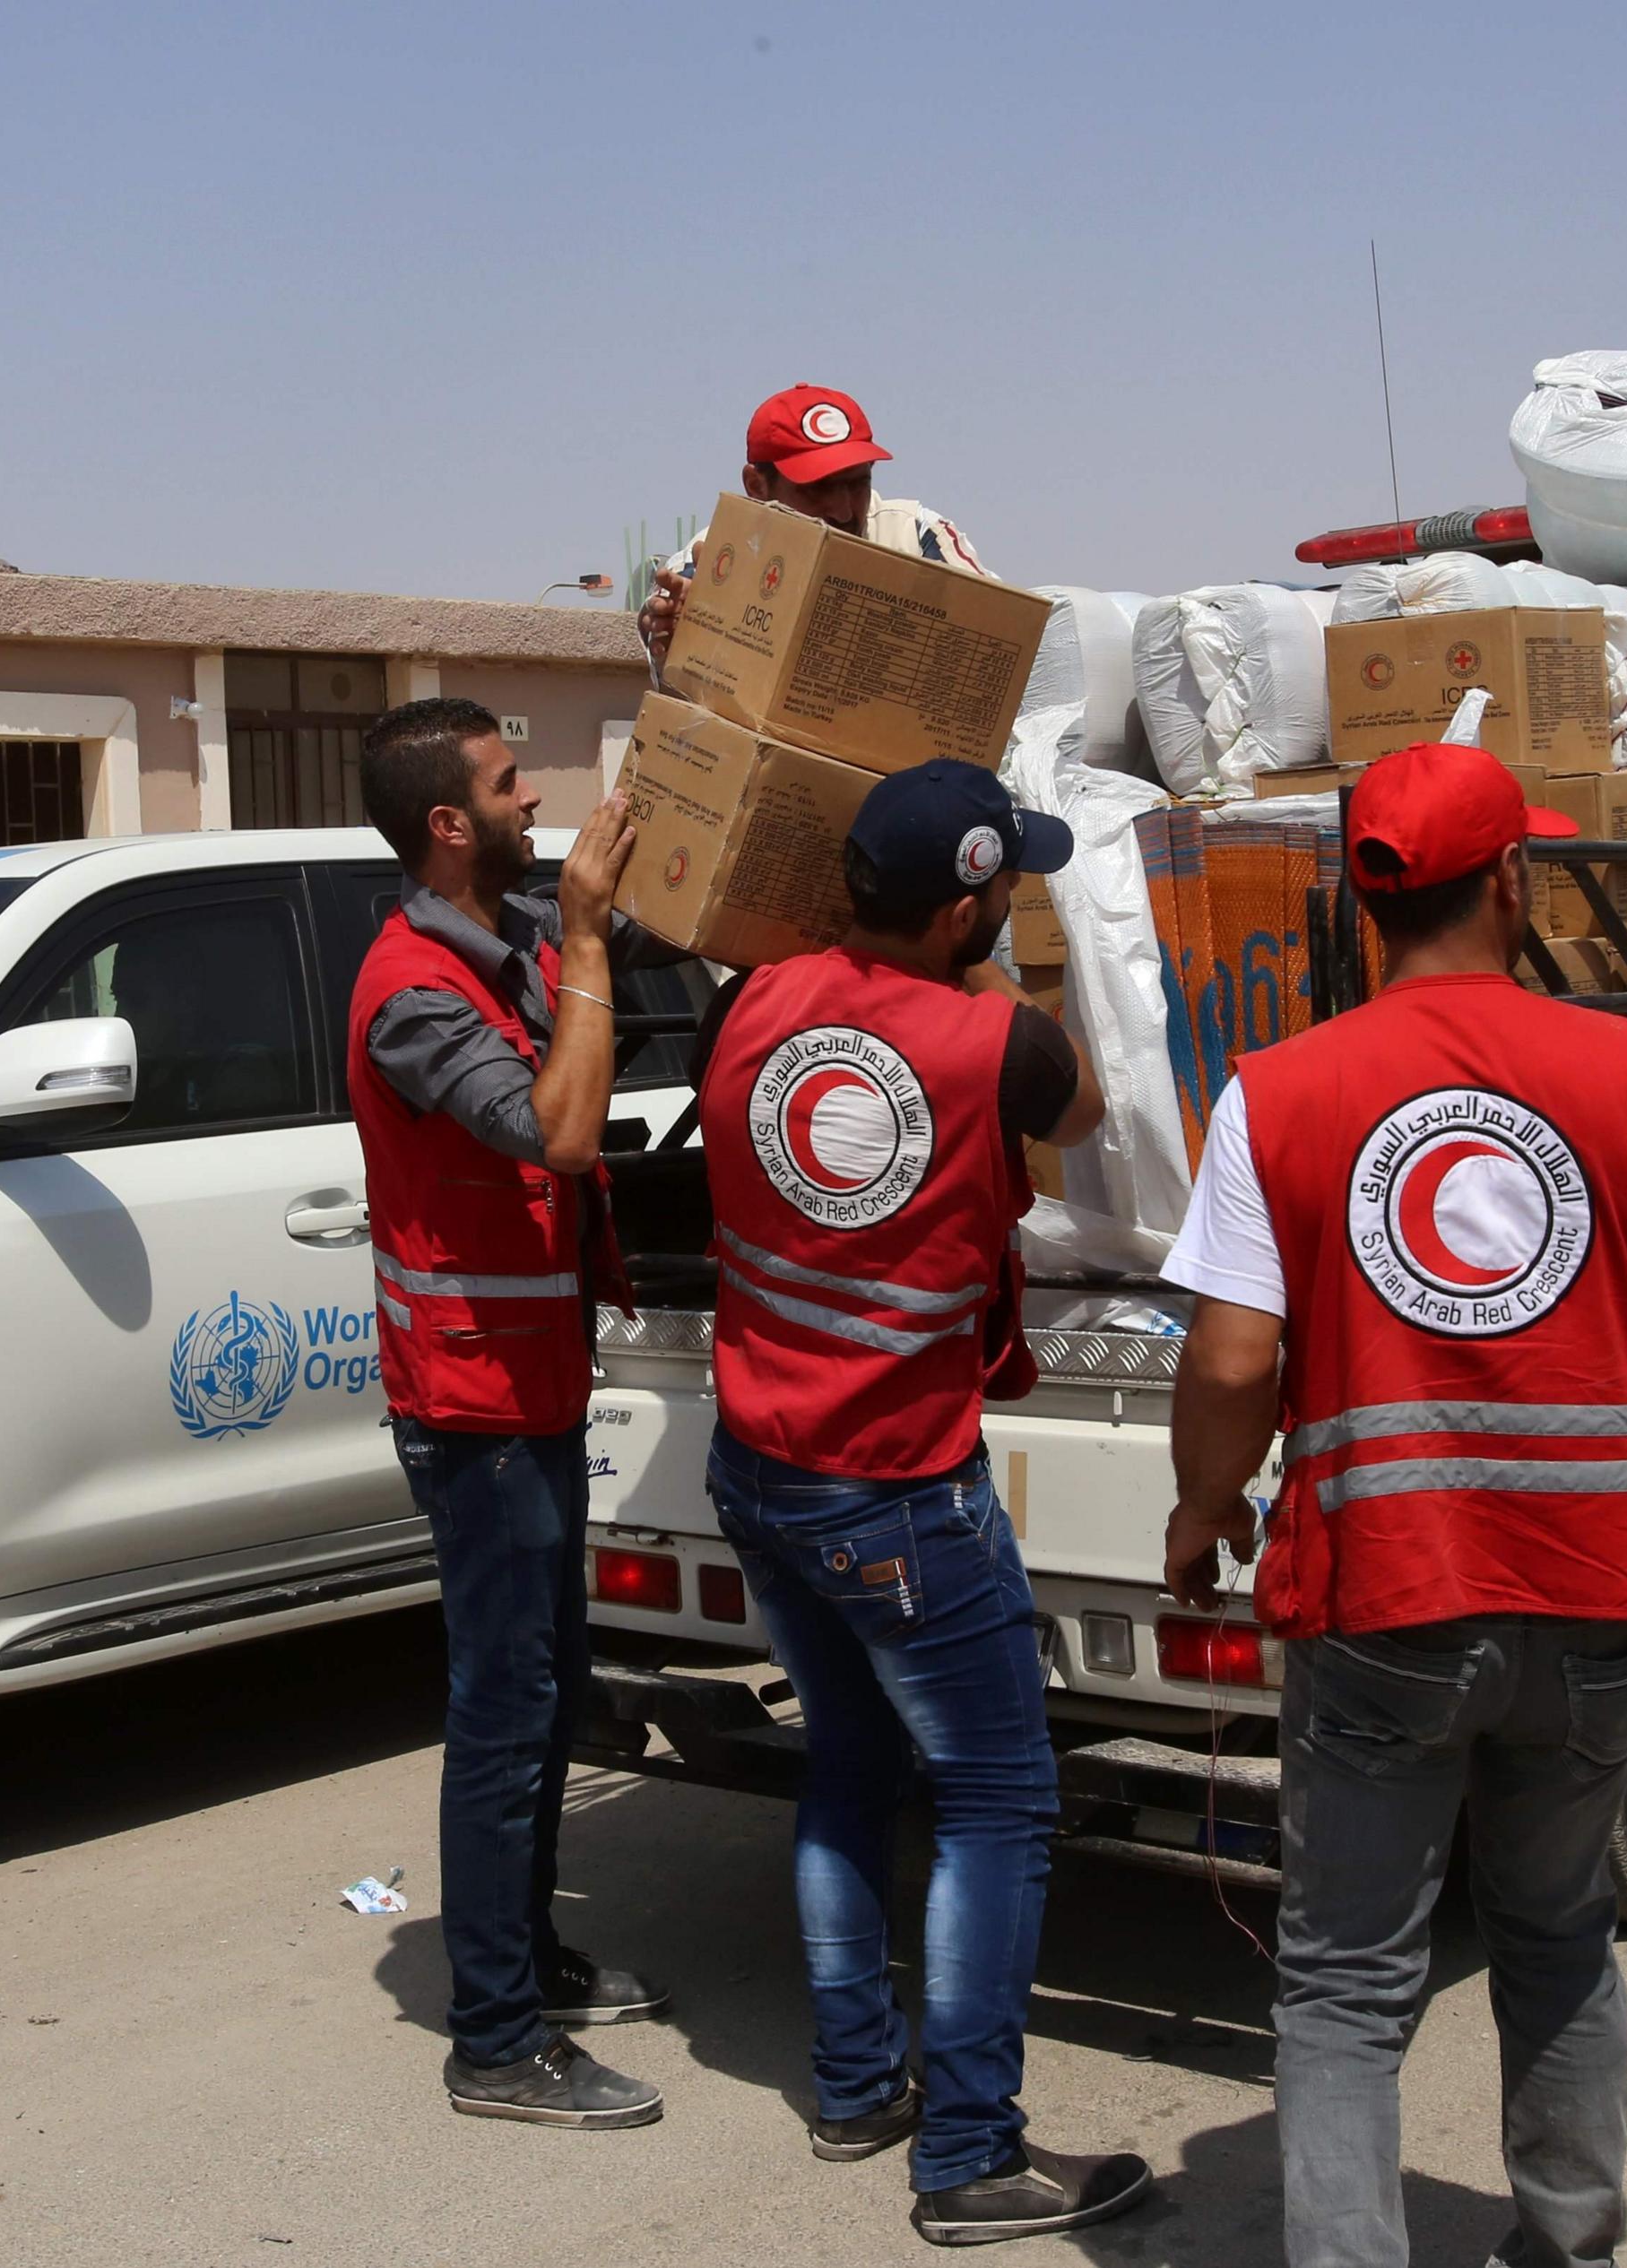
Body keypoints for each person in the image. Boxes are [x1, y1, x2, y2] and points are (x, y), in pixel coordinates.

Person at [1157, 740, 1627, 2268]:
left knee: (1344, 1981)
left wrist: (1205, 1510)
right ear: (1513, 885)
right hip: (1599, 1596)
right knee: (1555, 1937)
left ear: (1365, 904)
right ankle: (1571, 2240)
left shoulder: (1280, 1094)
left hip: (1387, 1595)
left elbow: (1232, 1358)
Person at [695, 760, 1150, 2247]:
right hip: (895, 1488)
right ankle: (969, 2154)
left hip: (759, 1467)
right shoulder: (995, 1047)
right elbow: (1087, 1110)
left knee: (850, 1757)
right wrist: (1011, 966)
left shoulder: (751, 1001)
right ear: (969, 900)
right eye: (1003, 878)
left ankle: (852, 2084)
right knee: (1003, 1798)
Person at [346, 696, 682, 2130]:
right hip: (475, 1406)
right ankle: (493, 2037)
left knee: (547, 1695)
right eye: (504, 781)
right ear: (447, 822)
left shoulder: (498, 950)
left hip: (527, 1386)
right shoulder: (415, 990)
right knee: (504, 1711)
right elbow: (552, 1124)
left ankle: (527, 1963)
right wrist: (590, 941)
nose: (530, 794)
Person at [637, 383, 993, 674]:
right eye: (817, 487)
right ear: (757, 487)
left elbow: (1001, 643)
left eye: (858, 483)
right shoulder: (708, 561)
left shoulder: (917, 536)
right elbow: (680, 706)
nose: (842, 510)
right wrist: (689, 639)